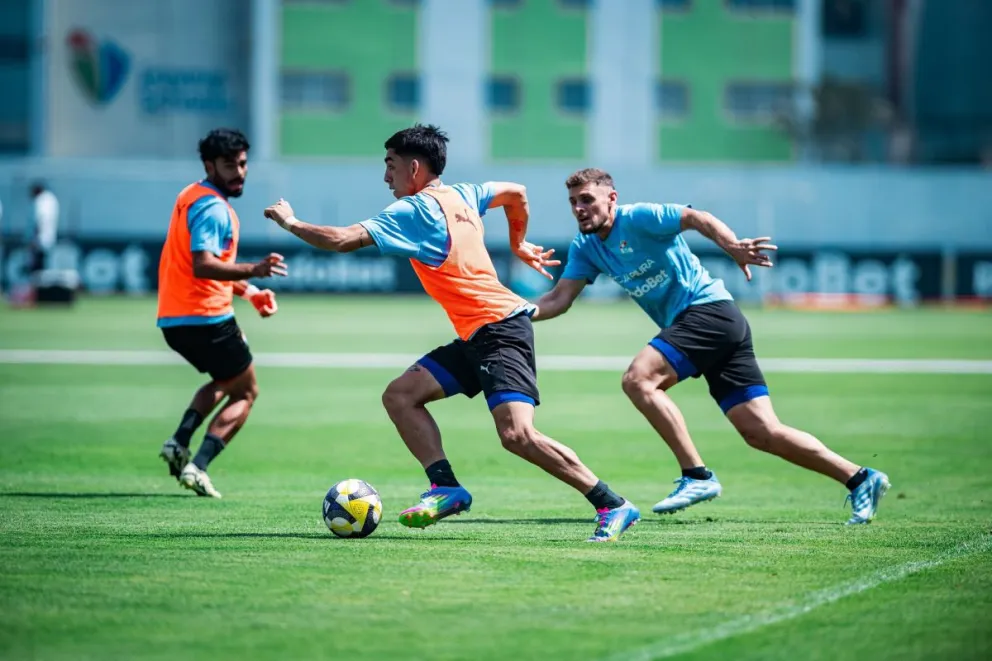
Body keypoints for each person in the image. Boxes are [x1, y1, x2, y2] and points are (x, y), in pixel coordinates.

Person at [263, 125, 640, 542]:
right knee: (400, 395)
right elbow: (516, 193)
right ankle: (446, 488)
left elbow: (342, 240)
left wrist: (290, 221)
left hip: (499, 330)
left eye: (390, 166)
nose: (386, 177)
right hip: (480, 334)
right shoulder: (463, 194)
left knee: (518, 435)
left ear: (414, 167)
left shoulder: (414, 210)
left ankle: (612, 503)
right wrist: (518, 242)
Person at [532, 168, 890, 525]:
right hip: (714, 324)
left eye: (587, 200)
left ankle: (697, 475)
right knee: (761, 432)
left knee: (638, 380)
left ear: (612, 198)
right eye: (573, 202)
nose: (579, 208)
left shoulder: (639, 217)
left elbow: (695, 217)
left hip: (708, 313)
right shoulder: (586, 247)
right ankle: (860, 478)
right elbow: (559, 300)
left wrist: (732, 246)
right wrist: (509, 312)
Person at [157, 128, 287, 498]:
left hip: (174, 320)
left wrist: (249, 292)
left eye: (243, 163)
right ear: (210, 165)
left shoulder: (191, 195)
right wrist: (255, 270)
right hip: (207, 318)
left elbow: (197, 266)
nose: (239, 172)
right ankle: (197, 467)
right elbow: (203, 265)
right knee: (246, 391)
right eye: (230, 165)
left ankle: (179, 441)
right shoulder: (214, 208)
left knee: (226, 380)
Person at [29, 181, 59, 274]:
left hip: (40, 239)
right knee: (46, 262)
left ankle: (38, 284)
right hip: (49, 237)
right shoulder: (51, 199)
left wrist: (35, 238)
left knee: (38, 264)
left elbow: (39, 220)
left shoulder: (41, 201)